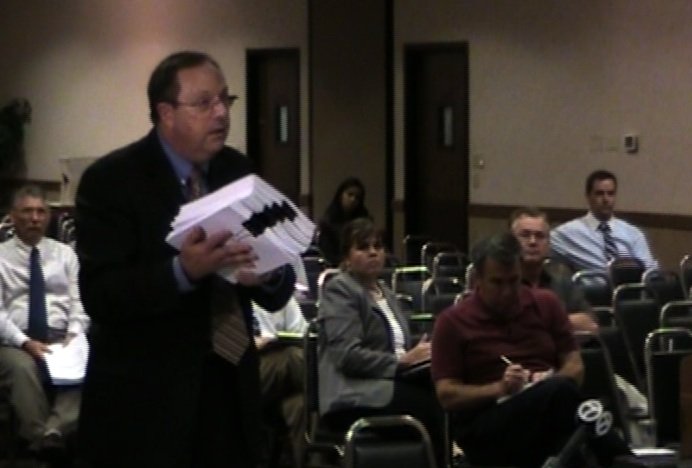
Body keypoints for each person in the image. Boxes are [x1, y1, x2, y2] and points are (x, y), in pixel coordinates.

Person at [74, 51, 296, 468]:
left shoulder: (239, 170)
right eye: (204, 103)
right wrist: (181, 273)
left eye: (226, 101)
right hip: (148, 402)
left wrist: (267, 273)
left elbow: (279, 284)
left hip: (231, 389)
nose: (221, 114)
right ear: (166, 113)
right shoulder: (112, 181)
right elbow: (102, 295)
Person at [432, 232, 631, 467]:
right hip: (488, 423)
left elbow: (575, 367)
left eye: (513, 281)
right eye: (497, 283)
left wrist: (543, 384)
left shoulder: (546, 303)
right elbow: (447, 394)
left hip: (548, 407)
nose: (507, 291)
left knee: (561, 407)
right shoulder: (452, 322)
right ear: (477, 279)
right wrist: (501, 388)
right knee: (566, 404)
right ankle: (621, 457)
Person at [317, 217, 444, 465]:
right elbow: (347, 356)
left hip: (391, 381)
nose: (373, 253)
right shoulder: (340, 290)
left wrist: (424, 353)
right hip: (354, 392)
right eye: (363, 247)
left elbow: (400, 344)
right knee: (430, 406)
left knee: (446, 390)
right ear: (346, 257)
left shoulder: (385, 291)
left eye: (378, 246)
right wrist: (400, 362)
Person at [0, 185, 89, 456]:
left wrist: (74, 335)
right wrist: (25, 342)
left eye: (41, 211)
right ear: (12, 217)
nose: (35, 218)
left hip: (61, 337)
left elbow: (79, 302)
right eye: (27, 211)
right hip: (14, 340)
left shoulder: (66, 254)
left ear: (49, 216)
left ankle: (54, 431)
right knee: (23, 368)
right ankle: (43, 440)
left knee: (87, 361)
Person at [510, 206, 598, 333]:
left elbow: (590, 323)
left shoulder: (560, 276)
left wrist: (546, 322)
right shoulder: (501, 281)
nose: (533, 242)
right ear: (510, 241)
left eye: (540, 236)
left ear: (549, 244)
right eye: (525, 235)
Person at [550, 170, 658, 272]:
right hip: (593, 289)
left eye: (610, 193)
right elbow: (541, 243)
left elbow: (649, 270)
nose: (606, 199)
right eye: (599, 194)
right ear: (588, 196)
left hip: (630, 288)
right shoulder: (569, 233)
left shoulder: (632, 233)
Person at [252, 296, 307, 468]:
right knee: (291, 358)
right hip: (237, 371)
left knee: (300, 405)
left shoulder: (276, 290)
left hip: (280, 374)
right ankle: (335, 396)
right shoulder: (221, 291)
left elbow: (302, 335)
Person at [316, 177, 370, 266]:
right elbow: (327, 255)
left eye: (357, 197)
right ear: (340, 195)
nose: (353, 200)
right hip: (336, 268)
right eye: (350, 195)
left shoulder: (365, 221)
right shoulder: (328, 223)